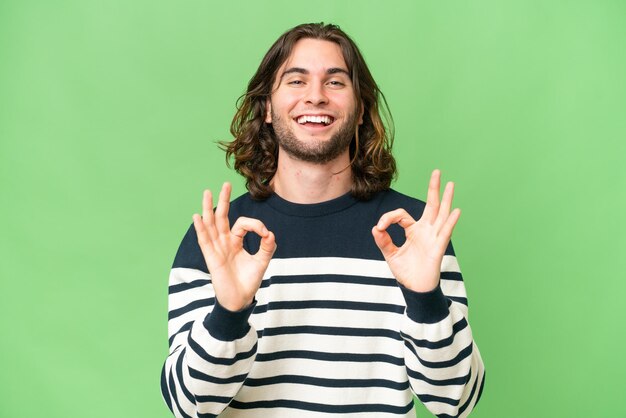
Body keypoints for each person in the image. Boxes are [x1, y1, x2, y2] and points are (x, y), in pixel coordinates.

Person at [161, 23, 485, 418]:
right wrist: (229, 312)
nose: (315, 97)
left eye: (335, 82)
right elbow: (188, 406)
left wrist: (425, 299)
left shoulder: (414, 232)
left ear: (361, 107)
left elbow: (456, 400)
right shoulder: (219, 238)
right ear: (267, 106)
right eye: (296, 81)